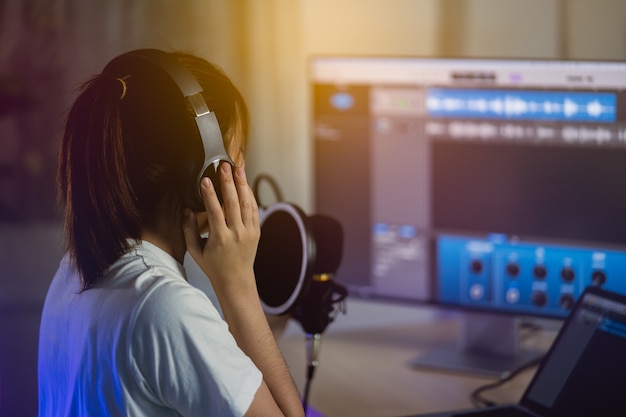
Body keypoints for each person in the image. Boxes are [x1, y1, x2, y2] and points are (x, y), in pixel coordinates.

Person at [37, 48, 305, 417]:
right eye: (237, 154)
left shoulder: (74, 270)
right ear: (205, 174)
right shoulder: (167, 308)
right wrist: (238, 285)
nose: (243, 169)